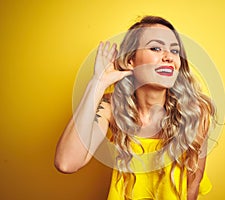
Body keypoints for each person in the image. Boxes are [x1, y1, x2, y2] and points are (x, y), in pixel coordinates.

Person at [55, 16, 216, 200]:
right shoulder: (111, 108)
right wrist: (97, 83)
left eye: (174, 50)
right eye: (156, 48)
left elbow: (193, 183)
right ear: (131, 60)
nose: (169, 57)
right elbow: (66, 163)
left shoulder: (194, 111)